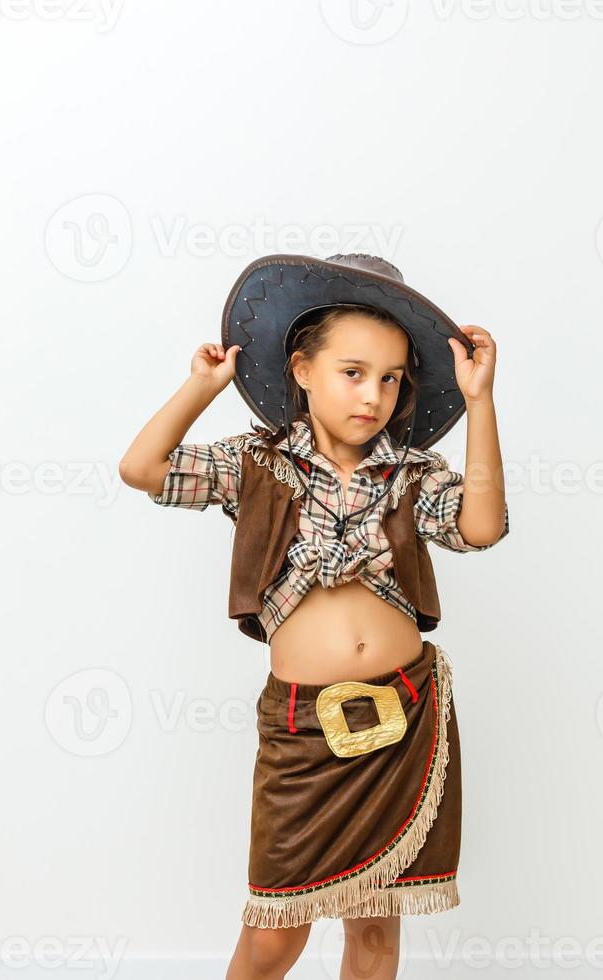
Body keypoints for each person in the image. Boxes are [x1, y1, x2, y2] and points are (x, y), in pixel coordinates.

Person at [119, 254, 509, 980]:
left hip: (404, 712)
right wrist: (200, 388)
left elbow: (481, 526)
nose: (374, 395)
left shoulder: (412, 473)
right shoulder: (256, 463)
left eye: (391, 378)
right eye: (353, 372)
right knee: (274, 935)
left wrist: (480, 403)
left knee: (374, 932)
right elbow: (144, 470)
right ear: (302, 369)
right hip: (303, 729)